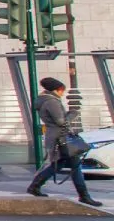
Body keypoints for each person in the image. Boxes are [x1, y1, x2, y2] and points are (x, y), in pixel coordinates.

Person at [27, 77, 102, 207]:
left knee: (62, 165)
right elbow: (60, 121)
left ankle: (35, 186)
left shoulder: (45, 100)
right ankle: (84, 196)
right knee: (72, 166)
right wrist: (73, 114)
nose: (63, 93)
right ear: (56, 90)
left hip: (56, 136)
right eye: (62, 90)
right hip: (61, 137)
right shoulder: (52, 102)